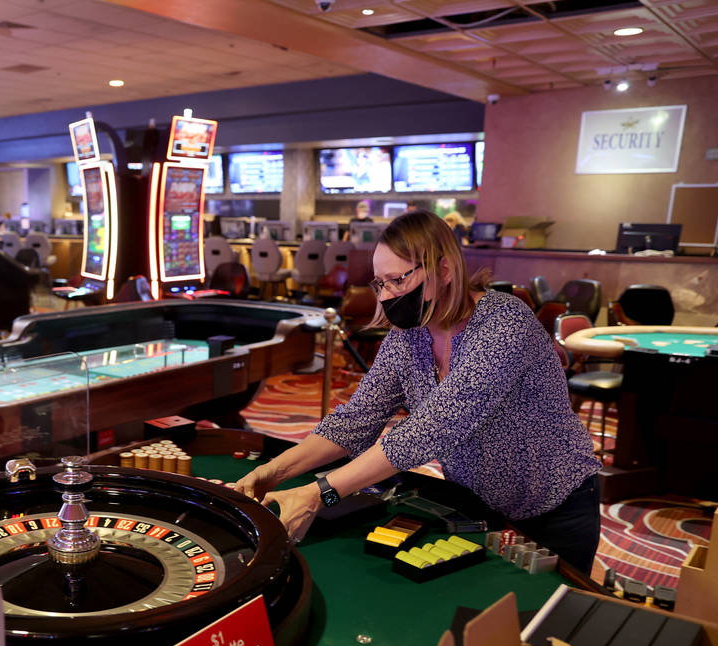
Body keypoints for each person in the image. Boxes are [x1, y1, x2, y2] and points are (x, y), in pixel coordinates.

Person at [234, 210, 601, 574]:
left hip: (557, 505)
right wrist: (272, 472)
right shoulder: (408, 335)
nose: (388, 295)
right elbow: (355, 420)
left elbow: (433, 429)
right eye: (380, 283)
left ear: (444, 270)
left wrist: (319, 493)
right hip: (477, 502)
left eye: (397, 280)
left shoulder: (503, 323)